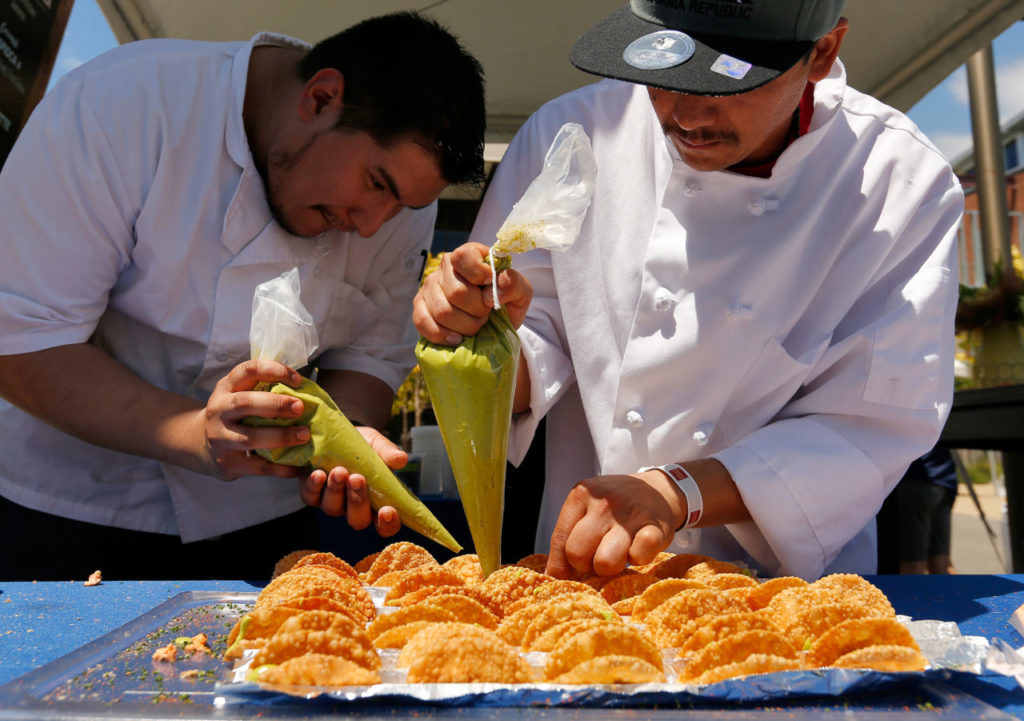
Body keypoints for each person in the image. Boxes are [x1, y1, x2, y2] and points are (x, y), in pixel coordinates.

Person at [412, 0, 964, 581]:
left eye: (727, 83)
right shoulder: (572, 133)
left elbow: (870, 423)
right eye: (665, 75)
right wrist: (478, 329)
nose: (687, 115)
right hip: (588, 566)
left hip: (783, 586)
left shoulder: (898, 181)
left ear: (822, 52)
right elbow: (530, 353)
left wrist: (675, 492)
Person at [0, 11, 486, 579]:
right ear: (322, 97)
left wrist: (343, 440)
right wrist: (193, 431)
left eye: (401, 206)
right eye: (376, 184)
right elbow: (21, 338)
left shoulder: (398, 203)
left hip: (264, 523)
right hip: (64, 506)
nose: (374, 226)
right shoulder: (123, 105)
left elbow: (370, 358)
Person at [876, 446, 959, 574]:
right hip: (944, 477)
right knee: (942, 564)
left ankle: (915, 595)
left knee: (912, 566)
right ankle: (957, 593)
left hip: (915, 480)